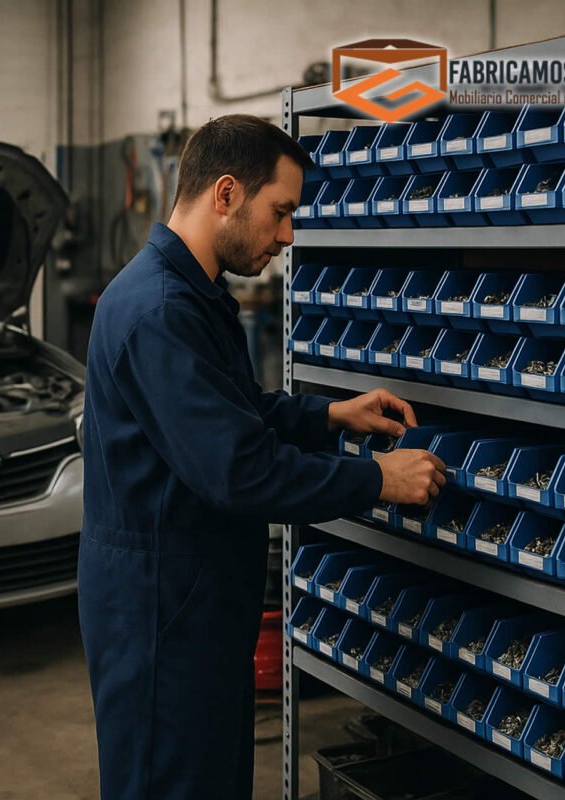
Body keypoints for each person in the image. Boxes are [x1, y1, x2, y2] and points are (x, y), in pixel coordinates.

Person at [78, 113, 446, 800]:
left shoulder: (189, 292)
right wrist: (376, 480)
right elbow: (238, 469)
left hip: (193, 605)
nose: (286, 236)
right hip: (162, 620)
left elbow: (231, 411)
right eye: (280, 212)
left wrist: (329, 415)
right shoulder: (159, 310)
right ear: (226, 194)